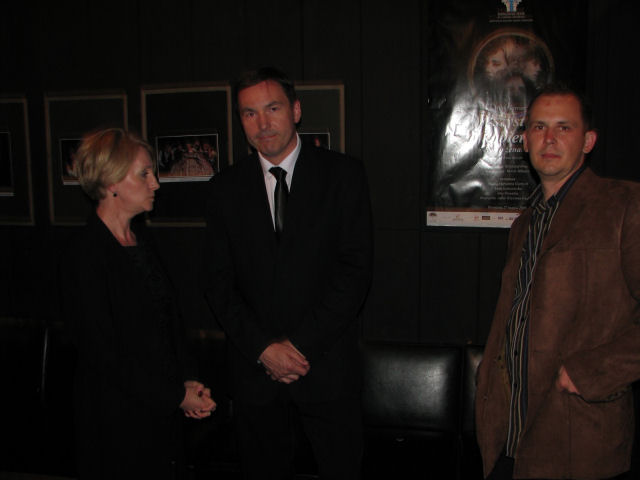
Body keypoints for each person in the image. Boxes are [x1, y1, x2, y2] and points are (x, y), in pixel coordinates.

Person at [203, 67, 373, 479]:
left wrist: (297, 348)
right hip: (255, 376)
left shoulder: (344, 175)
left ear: (296, 110)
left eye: (273, 108)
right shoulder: (224, 189)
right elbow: (217, 283)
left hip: (326, 370)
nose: (262, 123)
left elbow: (354, 274)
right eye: (249, 113)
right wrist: (264, 349)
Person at [475, 84, 640, 479]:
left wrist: (591, 372)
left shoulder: (623, 206)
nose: (549, 139)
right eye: (539, 127)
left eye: (563, 127)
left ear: (588, 141)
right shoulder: (524, 224)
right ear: (525, 140)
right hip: (511, 437)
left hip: (580, 440)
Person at [59, 128, 216, 479]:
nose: (155, 183)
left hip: (159, 413)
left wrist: (188, 380)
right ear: (111, 182)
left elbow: (169, 323)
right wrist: (175, 396)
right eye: (144, 173)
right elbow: (103, 353)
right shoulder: (84, 255)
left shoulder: (141, 241)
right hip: (116, 422)